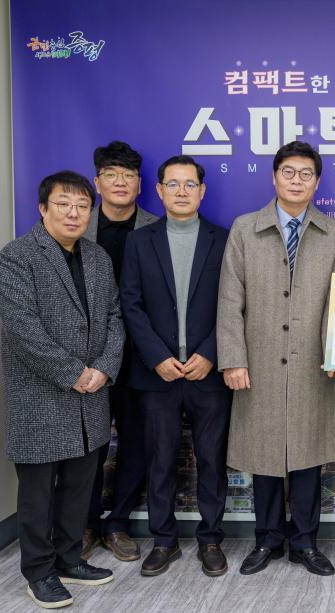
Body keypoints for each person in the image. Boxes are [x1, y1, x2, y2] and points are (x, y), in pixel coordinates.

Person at [0, 171, 124, 608]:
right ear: (43, 208)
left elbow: (114, 318)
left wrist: (103, 369)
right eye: (64, 204)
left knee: (78, 487)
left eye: (82, 206)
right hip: (41, 397)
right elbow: (23, 330)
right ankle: (39, 571)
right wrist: (73, 373)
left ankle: (69, 560)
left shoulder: (98, 258)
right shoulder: (17, 258)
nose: (73, 213)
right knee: (37, 493)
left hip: (92, 396)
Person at [217, 141, 335, 577]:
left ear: (317, 182)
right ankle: (267, 539)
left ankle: (305, 542)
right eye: (288, 172)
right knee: (265, 455)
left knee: (308, 455)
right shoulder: (245, 228)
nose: (296, 180)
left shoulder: (333, 233)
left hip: (313, 363)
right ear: (274, 177)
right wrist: (233, 359)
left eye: (306, 174)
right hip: (258, 361)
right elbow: (229, 299)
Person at [120, 155, 232, 577]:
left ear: (202, 191)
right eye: (173, 184)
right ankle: (164, 540)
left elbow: (236, 303)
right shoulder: (139, 242)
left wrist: (211, 352)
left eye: (189, 184)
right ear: (159, 191)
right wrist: (156, 357)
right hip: (157, 375)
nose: (181, 191)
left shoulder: (224, 240)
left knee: (212, 461)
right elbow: (130, 304)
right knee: (160, 460)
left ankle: (211, 539)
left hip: (209, 372)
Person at [81, 141, 158, 563]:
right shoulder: (76, 227)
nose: (120, 182)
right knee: (88, 443)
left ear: (140, 184)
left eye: (128, 176)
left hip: (140, 356)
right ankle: (86, 523)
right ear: (97, 183)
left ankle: (118, 524)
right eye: (111, 175)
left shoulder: (156, 228)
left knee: (136, 443)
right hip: (88, 360)